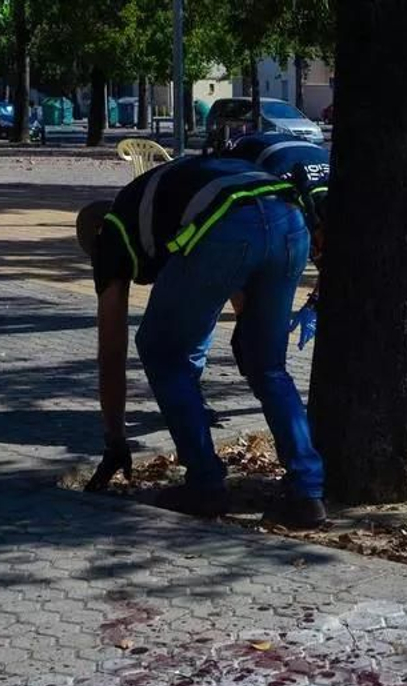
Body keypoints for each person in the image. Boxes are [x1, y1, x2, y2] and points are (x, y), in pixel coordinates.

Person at [76, 153, 327, 528]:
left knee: (161, 351)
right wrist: (250, 334)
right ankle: (307, 492)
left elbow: (112, 351)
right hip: (288, 217)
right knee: (268, 365)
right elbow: (239, 275)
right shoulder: (158, 203)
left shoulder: (112, 233)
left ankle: (205, 483)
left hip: (227, 223)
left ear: (96, 240)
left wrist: (115, 438)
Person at [218, 130, 332, 348]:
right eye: (317, 251)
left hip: (294, 157)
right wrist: (245, 316)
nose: (317, 258)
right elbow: (233, 258)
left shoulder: (332, 209)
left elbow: (330, 262)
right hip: (246, 159)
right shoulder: (278, 200)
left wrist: (314, 303)